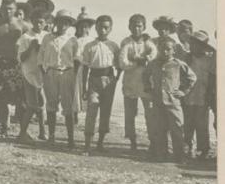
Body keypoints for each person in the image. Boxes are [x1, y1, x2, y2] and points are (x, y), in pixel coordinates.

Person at [143, 37, 196, 163]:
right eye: (162, 49)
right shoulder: (153, 64)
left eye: (168, 49)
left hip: (173, 103)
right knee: (160, 129)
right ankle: (162, 154)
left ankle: (179, 155)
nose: (165, 52)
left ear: (174, 50)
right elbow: (145, 76)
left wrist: (183, 91)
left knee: (177, 129)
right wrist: (149, 89)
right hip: (158, 102)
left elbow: (192, 78)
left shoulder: (178, 64)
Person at [0, 0, 30, 137]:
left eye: (10, 9)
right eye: (5, 9)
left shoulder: (24, 26)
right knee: (1, 99)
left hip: (18, 65)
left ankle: (23, 131)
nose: (7, 12)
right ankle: (3, 128)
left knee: (22, 100)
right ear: (0, 9)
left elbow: (30, 44)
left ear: (16, 9)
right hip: (0, 65)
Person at [37, 10, 78, 147]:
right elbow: (40, 58)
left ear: (69, 25)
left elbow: (77, 59)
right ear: (56, 22)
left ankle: (71, 139)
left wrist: (73, 75)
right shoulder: (47, 38)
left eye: (66, 22)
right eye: (60, 22)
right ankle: (52, 137)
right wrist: (44, 73)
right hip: (51, 73)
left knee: (68, 107)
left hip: (67, 73)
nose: (63, 25)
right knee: (51, 105)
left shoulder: (72, 39)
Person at [82, 15, 121, 155]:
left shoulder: (114, 46)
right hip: (93, 79)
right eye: (100, 27)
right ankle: (87, 145)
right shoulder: (89, 46)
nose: (103, 30)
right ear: (96, 28)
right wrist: (84, 87)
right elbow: (85, 67)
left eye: (106, 27)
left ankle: (100, 143)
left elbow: (119, 64)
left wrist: (116, 78)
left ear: (110, 29)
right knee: (92, 109)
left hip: (109, 80)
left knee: (106, 111)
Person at [119, 14, 158, 154]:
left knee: (150, 113)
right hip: (130, 83)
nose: (137, 28)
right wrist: (137, 62)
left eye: (140, 26)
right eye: (134, 25)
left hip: (146, 84)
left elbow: (153, 55)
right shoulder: (126, 42)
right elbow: (123, 63)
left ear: (144, 27)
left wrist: (143, 58)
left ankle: (153, 141)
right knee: (130, 114)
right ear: (129, 27)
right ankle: (132, 141)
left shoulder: (148, 42)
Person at [16, 9, 48, 142]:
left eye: (41, 22)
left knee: (42, 103)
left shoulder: (47, 36)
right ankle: (22, 134)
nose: (38, 25)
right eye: (35, 22)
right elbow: (20, 58)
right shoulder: (25, 37)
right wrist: (31, 47)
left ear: (45, 23)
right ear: (31, 22)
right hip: (29, 73)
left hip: (43, 73)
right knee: (32, 105)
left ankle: (42, 131)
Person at [185, 30, 215, 159]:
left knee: (202, 123)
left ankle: (203, 149)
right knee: (188, 122)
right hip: (188, 95)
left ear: (203, 46)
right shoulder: (187, 58)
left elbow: (212, 78)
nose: (193, 47)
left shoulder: (209, 60)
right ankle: (188, 146)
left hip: (202, 94)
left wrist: (209, 94)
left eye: (197, 44)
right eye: (192, 44)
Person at [72, 7, 96, 123]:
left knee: (88, 91)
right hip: (76, 68)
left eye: (86, 26)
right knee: (75, 91)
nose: (83, 29)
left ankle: (89, 117)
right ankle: (74, 114)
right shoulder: (73, 40)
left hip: (88, 68)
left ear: (89, 28)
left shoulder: (92, 41)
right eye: (80, 26)